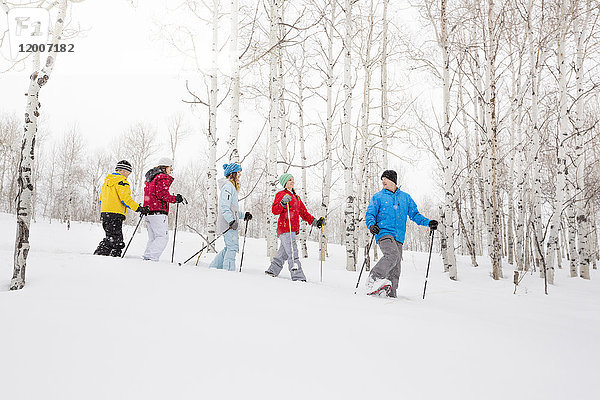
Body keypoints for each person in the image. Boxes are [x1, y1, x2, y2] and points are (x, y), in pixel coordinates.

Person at [364, 169, 438, 297]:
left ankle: (391, 293)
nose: (383, 182)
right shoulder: (378, 197)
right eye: (382, 180)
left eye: (385, 179)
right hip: (384, 232)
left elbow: (415, 215)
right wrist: (371, 225)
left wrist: (428, 222)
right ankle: (373, 279)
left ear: (392, 180)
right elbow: (370, 213)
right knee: (392, 255)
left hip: (398, 237)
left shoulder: (405, 198)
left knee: (396, 267)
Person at [265, 173, 325, 281]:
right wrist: (283, 203)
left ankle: (272, 270)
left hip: (292, 229)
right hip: (285, 228)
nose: (292, 181)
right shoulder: (281, 194)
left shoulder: (296, 197)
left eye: (292, 179)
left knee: (283, 253)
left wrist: (315, 222)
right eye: (289, 180)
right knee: (293, 252)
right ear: (285, 183)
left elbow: (304, 213)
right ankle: (298, 277)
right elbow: (275, 210)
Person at [94, 160, 149, 257]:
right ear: (123, 171)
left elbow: (101, 199)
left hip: (105, 213)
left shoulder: (107, 182)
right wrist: (139, 208)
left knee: (110, 236)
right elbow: (125, 199)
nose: (128, 175)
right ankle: (111, 257)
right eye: (128, 173)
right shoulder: (122, 182)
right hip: (116, 214)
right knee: (116, 239)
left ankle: (104, 255)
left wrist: (105, 210)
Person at [209, 163, 252, 271]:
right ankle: (228, 272)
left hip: (231, 223)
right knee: (232, 247)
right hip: (228, 224)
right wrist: (231, 221)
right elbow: (224, 207)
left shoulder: (231, 187)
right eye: (238, 173)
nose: (240, 175)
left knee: (229, 247)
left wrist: (244, 215)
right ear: (232, 174)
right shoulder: (228, 187)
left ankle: (214, 266)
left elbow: (234, 210)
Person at [142, 157, 185, 262]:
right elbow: (162, 194)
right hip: (158, 212)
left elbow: (153, 194)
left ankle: (147, 258)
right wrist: (175, 199)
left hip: (149, 212)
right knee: (162, 237)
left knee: (153, 238)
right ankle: (151, 258)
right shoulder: (162, 177)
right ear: (165, 167)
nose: (171, 170)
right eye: (170, 167)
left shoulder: (151, 178)